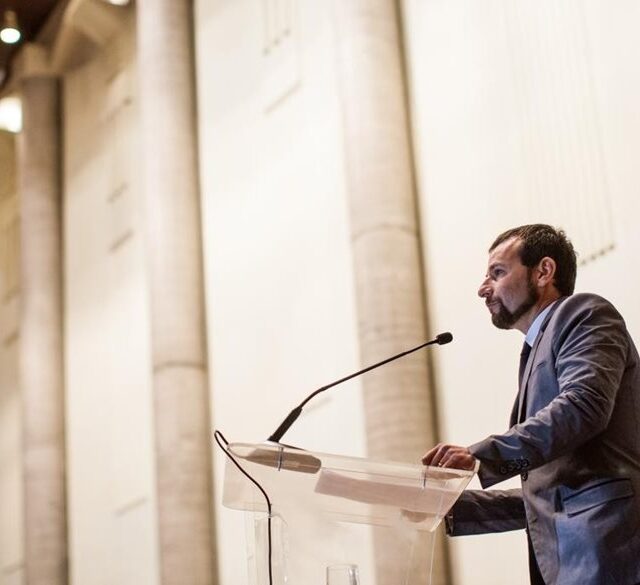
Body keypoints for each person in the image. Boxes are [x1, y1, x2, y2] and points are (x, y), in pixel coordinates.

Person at [422, 224, 640, 585]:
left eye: (497, 272)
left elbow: (584, 406)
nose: (483, 288)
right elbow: (549, 496)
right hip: (573, 563)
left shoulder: (584, 313)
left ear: (543, 272)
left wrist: (480, 455)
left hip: (609, 554)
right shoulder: (535, 350)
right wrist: (448, 507)